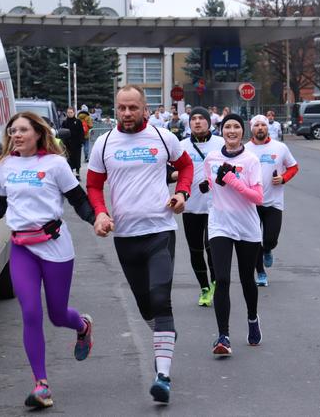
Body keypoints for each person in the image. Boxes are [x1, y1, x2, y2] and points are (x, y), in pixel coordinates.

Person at [0, 111, 95, 408]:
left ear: (38, 133)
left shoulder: (56, 164)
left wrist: (96, 219)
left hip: (55, 246)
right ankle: (41, 385)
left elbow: (78, 200)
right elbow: (0, 204)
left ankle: (82, 326)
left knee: (57, 314)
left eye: (23, 130)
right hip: (22, 248)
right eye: (13, 131)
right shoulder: (7, 165)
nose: (16, 135)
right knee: (31, 313)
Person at [86, 84, 193, 404]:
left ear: (145, 109)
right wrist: (101, 213)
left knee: (161, 299)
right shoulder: (104, 143)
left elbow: (185, 166)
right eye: (122, 108)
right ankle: (166, 335)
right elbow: (93, 185)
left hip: (160, 230)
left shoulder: (163, 138)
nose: (127, 113)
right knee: (146, 306)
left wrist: (182, 193)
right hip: (125, 237)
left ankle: (162, 376)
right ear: (115, 108)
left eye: (134, 107)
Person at [200, 113, 263, 356]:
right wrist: (206, 185)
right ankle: (223, 336)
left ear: (243, 131)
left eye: (237, 127)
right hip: (220, 224)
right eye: (228, 127)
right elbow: (209, 181)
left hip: (247, 225)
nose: (232, 131)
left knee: (247, 278)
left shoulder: (251, 160)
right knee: (223, 279)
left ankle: (252, 319)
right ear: (222, 131)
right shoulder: (212, 157)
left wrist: (232, 180)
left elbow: (258, 197)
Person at [245, 115, 299, 287]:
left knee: (270, 239)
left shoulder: (280, 147)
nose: (260, 128)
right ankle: (260, 272)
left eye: (263, 125)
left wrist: (283, 178)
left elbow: (293, 167)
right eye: (257, 125)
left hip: (274, 201)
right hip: (252, 203)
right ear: (251, 128)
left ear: (268, 127)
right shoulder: (245, 149)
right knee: (254, 241)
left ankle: (267, 249)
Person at [179, 107, 224, 306]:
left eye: (201, 118)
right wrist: (177, 177)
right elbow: (167, 172)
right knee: (195, 250)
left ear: (209, 122)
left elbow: (236, 168)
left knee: (212, 248)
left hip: (217, 206)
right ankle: (204, 287)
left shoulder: (221, 143)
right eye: (193, 119)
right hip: (191, 207)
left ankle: (216, 282)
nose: (197, 122)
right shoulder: (180, 146)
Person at [61, 107, 85, 179]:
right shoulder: (64, 122)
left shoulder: (78, 121)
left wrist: (81, 142)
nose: (69, 114)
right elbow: (62, 132)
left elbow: (81, 132)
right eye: (68, 112)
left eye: (71, 112)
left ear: (74, 113)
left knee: (77, 160)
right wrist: (63, 143)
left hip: (76, 145)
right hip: (67, 145)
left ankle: (77, 174)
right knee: (69, 160)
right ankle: (70, 175)